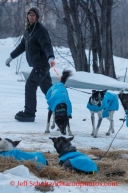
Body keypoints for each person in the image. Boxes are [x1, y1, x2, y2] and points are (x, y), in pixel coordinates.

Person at [5, 6, 55, 122]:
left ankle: (29, 113)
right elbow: (23, 46)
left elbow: (46, 45)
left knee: (30, 85)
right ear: (27, 16)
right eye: (29, 15)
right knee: (47, 89)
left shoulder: (40, 30)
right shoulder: (29, 30)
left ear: (37, 17)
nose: (31, 17)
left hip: (41, 65)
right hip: (39, 65)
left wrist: (50, 56)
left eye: (33, 15)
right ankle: (59, 108)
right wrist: (11, 57)